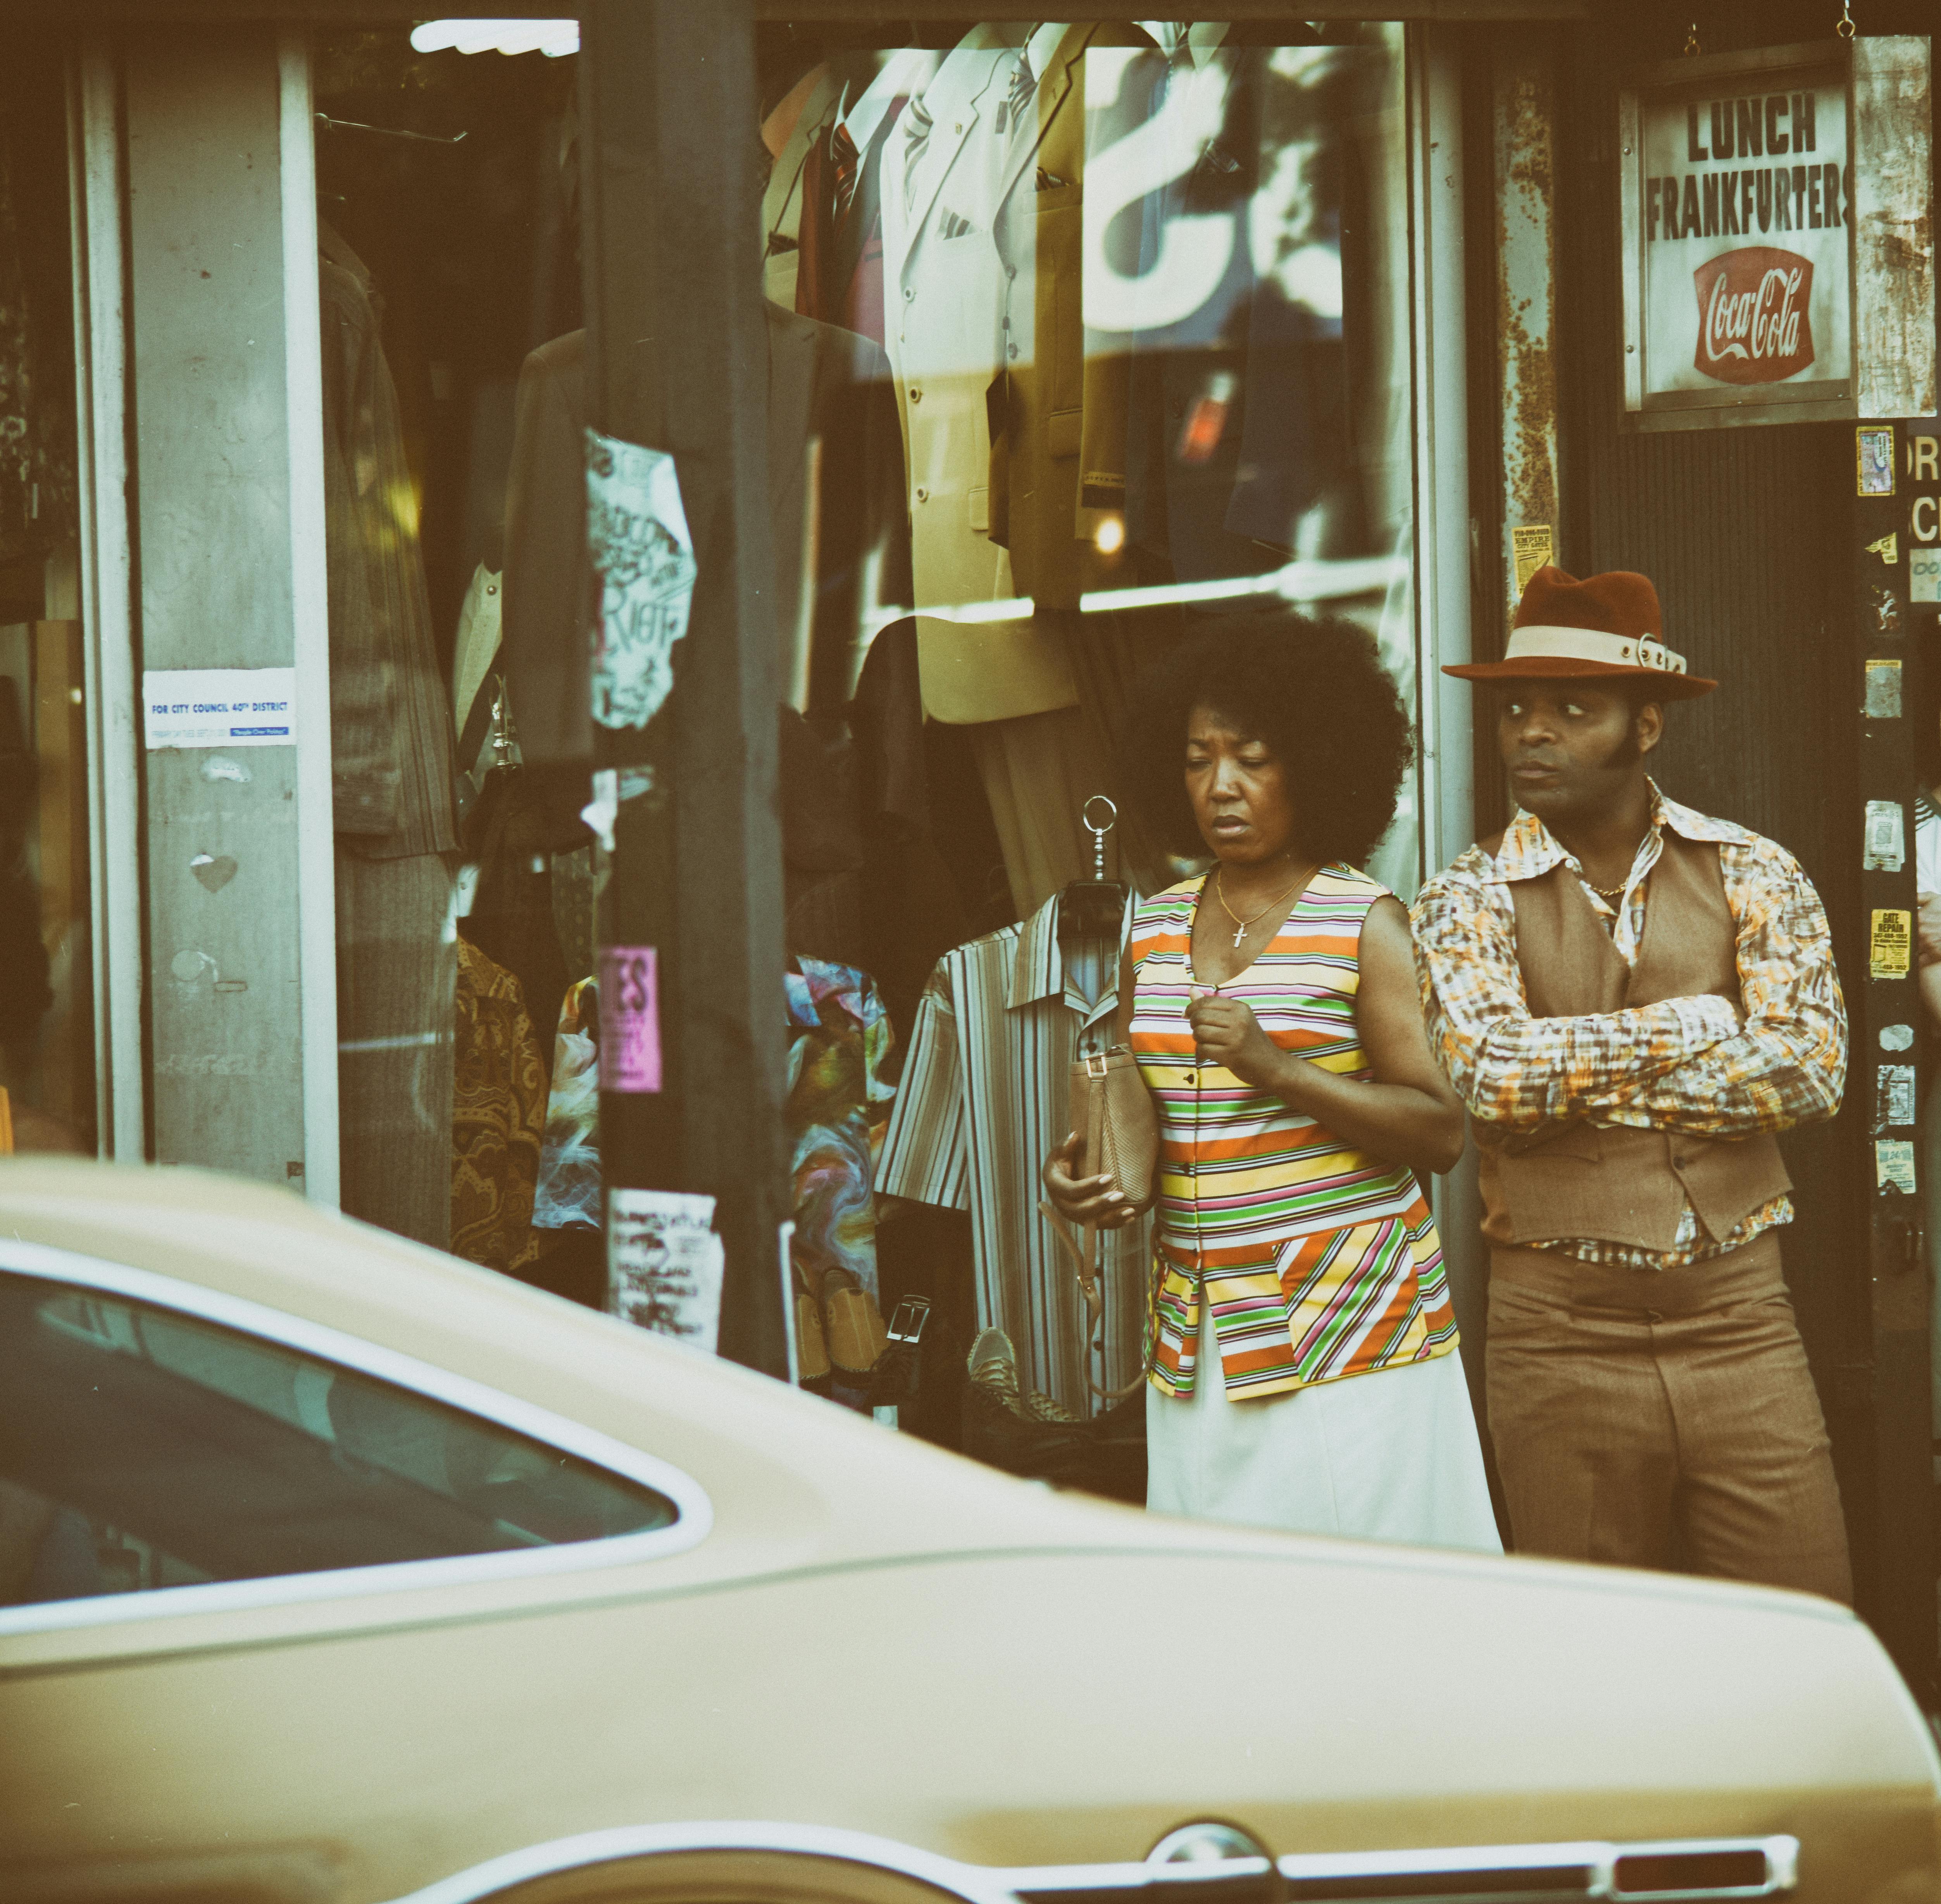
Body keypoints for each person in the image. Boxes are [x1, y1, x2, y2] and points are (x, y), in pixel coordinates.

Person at [1413, 565, 1851, 1600]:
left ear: (1647, 727)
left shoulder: (1754, 869)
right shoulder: (1463, 895)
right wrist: (1696, 1024)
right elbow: (1493, 1080)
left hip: (1741, 1319)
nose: (1533, 732)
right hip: (1560, 1332)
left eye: (1575, 708)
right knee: (1591, 1659)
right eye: (1518, 707)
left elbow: (1809, 1068)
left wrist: (1577, 1069)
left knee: (1804, 1617)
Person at [1043, 611, 1500, 1550]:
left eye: (1251, 757)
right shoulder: (1154, 927)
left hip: (1346, 1339)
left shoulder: (1363, 921)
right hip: (1202, 1338)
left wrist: (1275, 1067)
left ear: (1316, 763)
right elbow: (1141, 1111)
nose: (1220, 787)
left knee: (1359, 1606)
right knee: (1227, 1614)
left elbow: (1439, 1131)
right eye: (1197, 759)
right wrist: (1087, 1179)